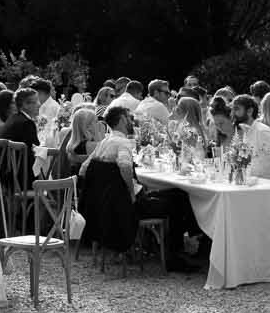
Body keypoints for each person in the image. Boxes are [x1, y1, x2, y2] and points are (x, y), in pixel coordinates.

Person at [82, 106, 199, 272]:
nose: (132, 122)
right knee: (179, 200)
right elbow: (124, 165)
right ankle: (175, 256)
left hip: (109, 205)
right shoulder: (122, 142)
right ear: (122, 120)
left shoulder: (103, 143)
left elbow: (84, 169)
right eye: (129, 118)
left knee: (177, 193)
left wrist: (105, 188)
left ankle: (186, 241)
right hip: (128, 206)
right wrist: (129, 191)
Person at [225, 95, 270, 181]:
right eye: (232, 109)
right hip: (253, 185)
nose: (232, 114)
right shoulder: (246, 132)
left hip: (267, 188)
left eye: (236, 109)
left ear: (249, 111)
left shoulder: (262, 131)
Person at [55, 105, 105, 178]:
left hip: (74, 184)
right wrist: (98, 133)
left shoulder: (75, 145)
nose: (100, 123)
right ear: (88, 127)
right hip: (86, 185)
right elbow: (105, 150)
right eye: (96, 121)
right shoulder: (89, 145)